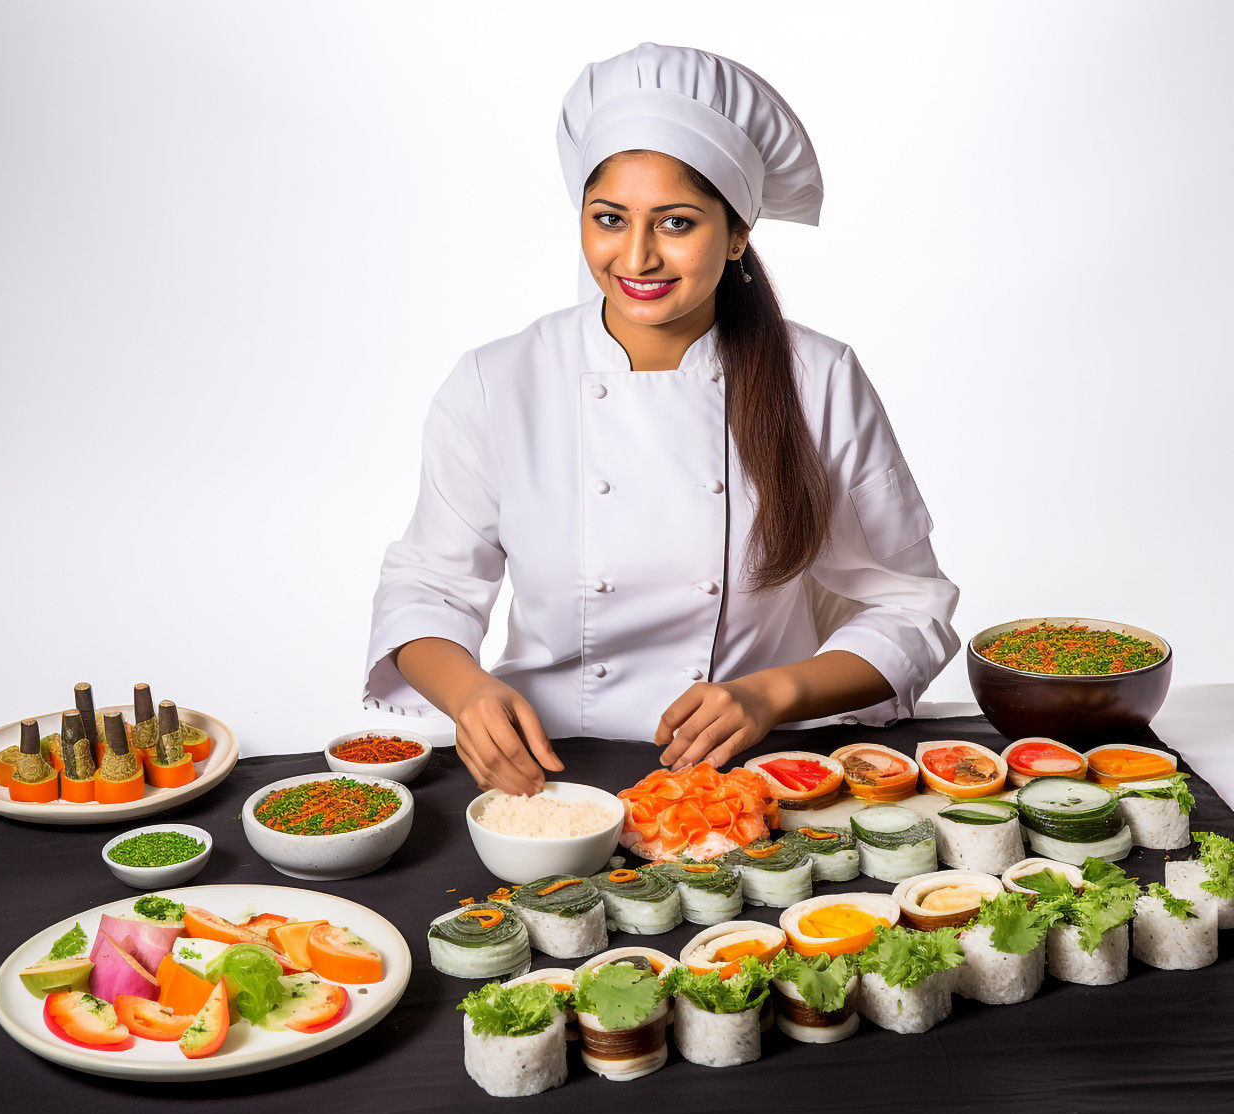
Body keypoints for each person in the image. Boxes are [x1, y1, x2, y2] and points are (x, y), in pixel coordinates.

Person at [364, 43, 959, 796]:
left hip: (754, 771)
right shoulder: (497, 379)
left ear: (738, 233)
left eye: (676, 223)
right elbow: (428, 586)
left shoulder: (818, 378)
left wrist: (770, 694)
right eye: (609, 219)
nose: (637, 257)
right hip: (546, 769)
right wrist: (469, 693)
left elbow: (911, 605)